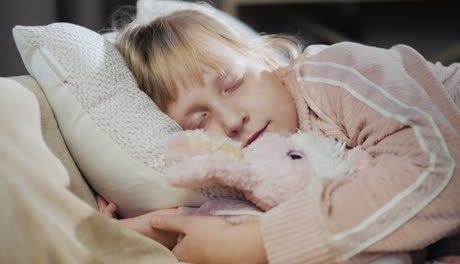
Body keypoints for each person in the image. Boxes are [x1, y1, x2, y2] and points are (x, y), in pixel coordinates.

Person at [99, 6, 460, 264]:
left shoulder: (333, 72)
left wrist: (260, 244)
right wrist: (127, 230)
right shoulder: (274, 159)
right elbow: (212, 224)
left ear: (270, 60)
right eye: (198, 122)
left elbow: (441, 170)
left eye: (233, 84)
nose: (231, 120)